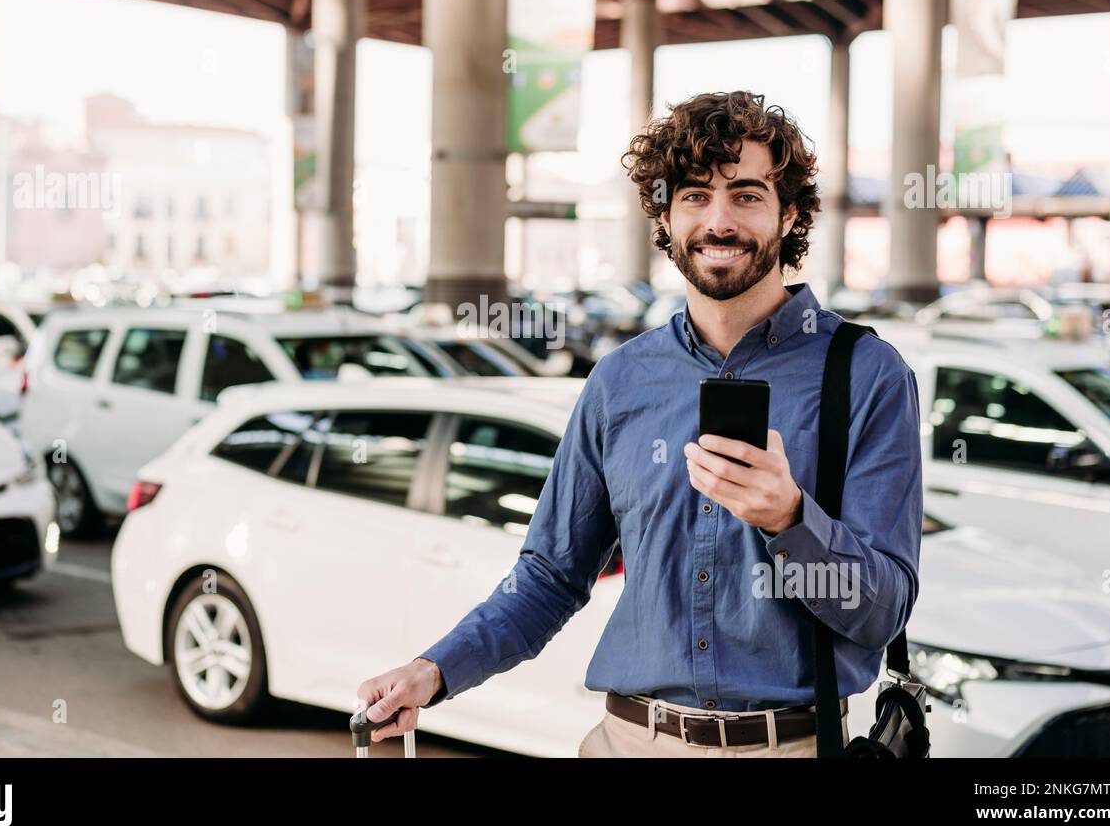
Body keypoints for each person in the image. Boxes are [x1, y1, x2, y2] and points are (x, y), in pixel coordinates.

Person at [356, 90, 923, 757]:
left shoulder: (869, 375)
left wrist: (791, 520)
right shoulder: (620, 381)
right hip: (628, 741)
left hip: (789, 747)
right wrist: (436, 670)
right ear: (666, 213)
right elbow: (548, 577)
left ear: (788, 213)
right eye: (694, 196)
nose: (719, 220)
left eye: (745, 195)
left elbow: (884, 611)